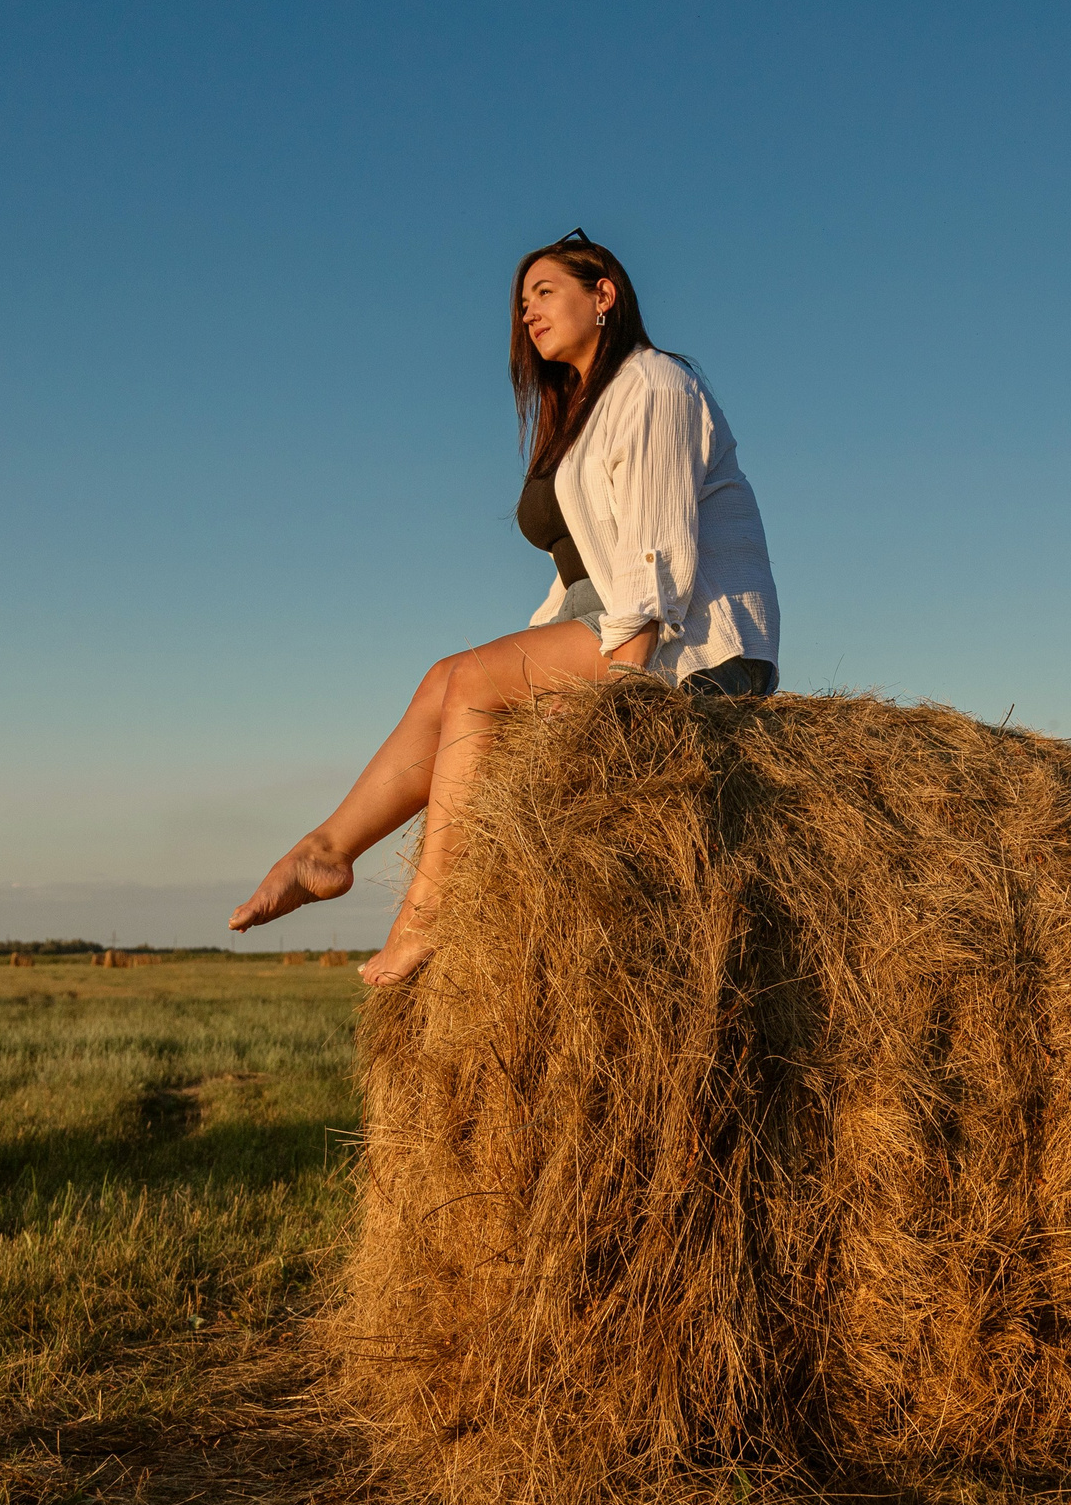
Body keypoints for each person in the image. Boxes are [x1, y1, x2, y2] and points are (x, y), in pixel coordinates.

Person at [229, 231, 781, 983]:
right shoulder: (580, 414)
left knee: (477, 686)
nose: (527, 315)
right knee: (445, 677)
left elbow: (655, 561)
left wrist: (616, 695)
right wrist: (528, 654)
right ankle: (325, 851)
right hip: (608, 618)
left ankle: (427, 911)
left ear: (604, 295)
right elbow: (577, 571)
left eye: (544, 293)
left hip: (689, 639)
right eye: (521, 306)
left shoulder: (653, 386)